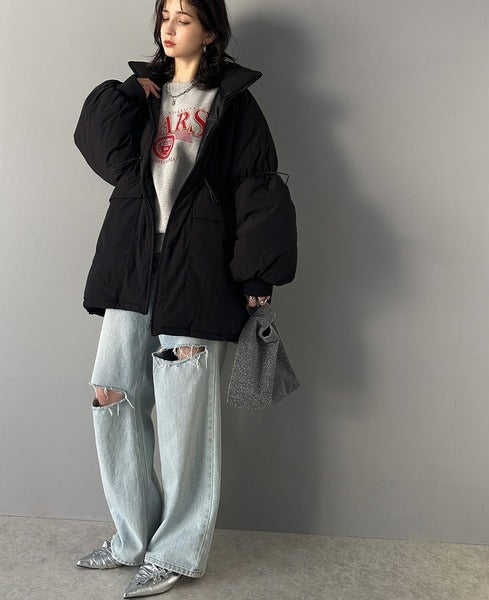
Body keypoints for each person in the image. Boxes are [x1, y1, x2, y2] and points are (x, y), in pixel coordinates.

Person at [73, 0, 297, 596]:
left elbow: (257, 187)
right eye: (165, 16)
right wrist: (129, 91)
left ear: (212, 30)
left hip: (195, 267)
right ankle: (131, 538)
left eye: (184, 18)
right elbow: (101, 149)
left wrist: (256, 279)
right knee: (111, 391)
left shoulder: (234, 103)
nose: (169, 28)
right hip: (132, 259)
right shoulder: (144, 94)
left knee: (183, 414)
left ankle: (175, 551)